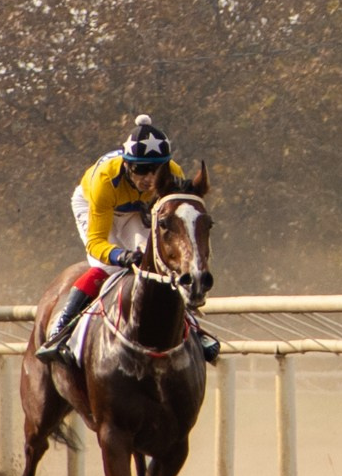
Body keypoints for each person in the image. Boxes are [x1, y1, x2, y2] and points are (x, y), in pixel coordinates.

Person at [37, 114, 219, 365]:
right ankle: (61, 330)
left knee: (160, 264)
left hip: (134, 210)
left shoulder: (173, 174)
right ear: (127, 165)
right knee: (107, 268)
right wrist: (120, 255)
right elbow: (96, 242)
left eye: (156, 170)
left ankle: (195, 329)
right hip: (95, 205)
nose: (149, 178)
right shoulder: (105, 181)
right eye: (141, 170)